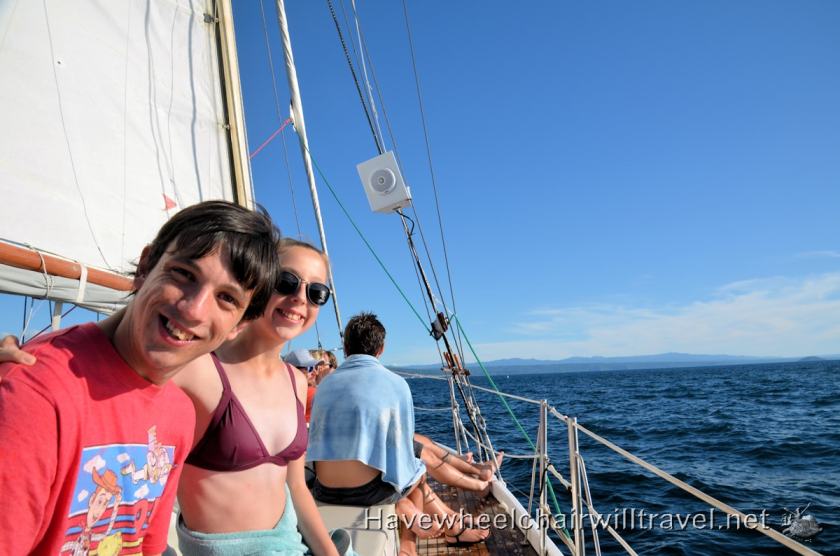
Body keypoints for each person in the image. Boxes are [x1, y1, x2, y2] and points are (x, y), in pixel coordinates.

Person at [0, 200, 281, 556]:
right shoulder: (36, 392)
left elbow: (145, 544)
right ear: (146, 267)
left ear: (237, 327)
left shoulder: (179, 413)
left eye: (226, 298)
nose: (193, 310)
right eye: (183, 274)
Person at [172, 238, 349, 555]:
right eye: (286, 281)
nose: (299, 299)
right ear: (257, 280)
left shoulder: (295, 381)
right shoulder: (200, 370)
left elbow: (296, 487)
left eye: (316, 292)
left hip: (289, 544)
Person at [308, 312, 489, 554]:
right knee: (417, 475)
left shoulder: (325, 385)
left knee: (409, 475)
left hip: (323, 489)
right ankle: (411, 545)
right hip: (365, 493)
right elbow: (401, 451)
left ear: (345, 348)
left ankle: (449, 525)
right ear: (381, 349)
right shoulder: (395, 384)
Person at [286, 348, 321, 423]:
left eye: (315, 367)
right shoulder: (314, 393)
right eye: (310, 368)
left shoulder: (280, 395)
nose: (315, 372)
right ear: (294, 370)